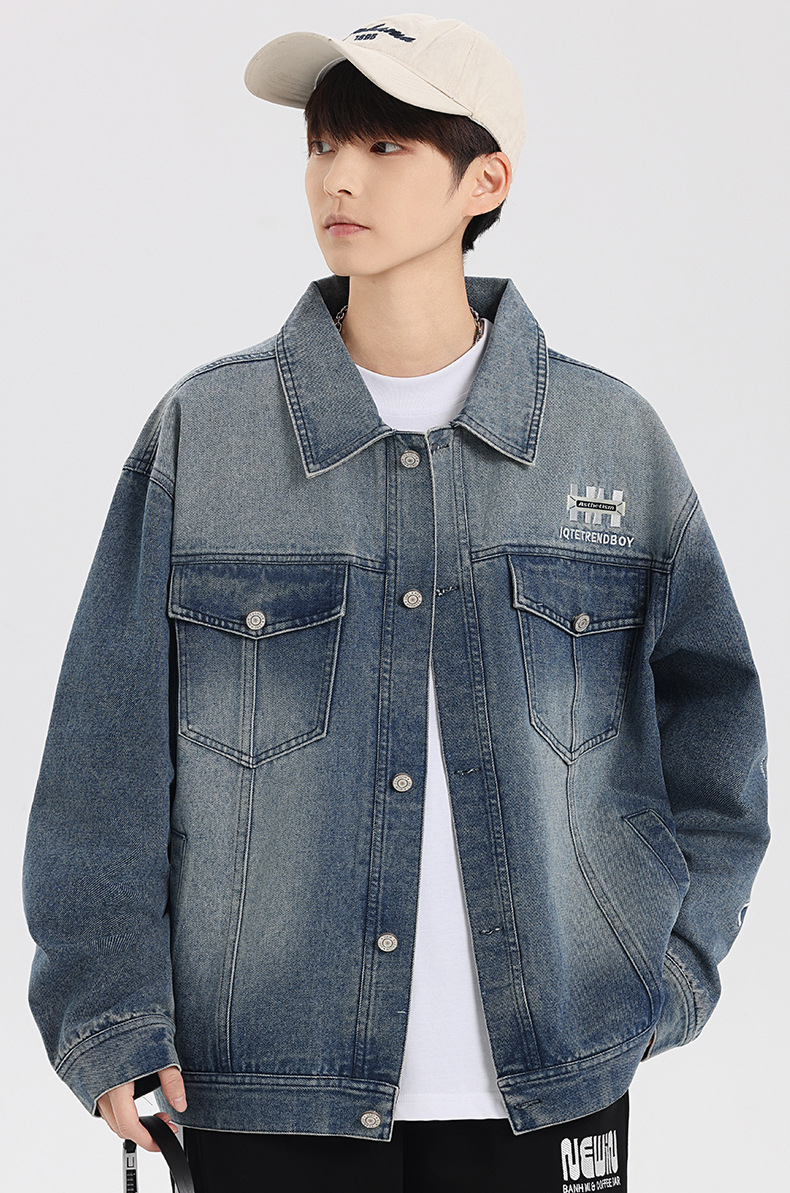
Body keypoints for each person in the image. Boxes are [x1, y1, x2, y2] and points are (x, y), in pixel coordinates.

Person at [22, 13, 770, 1193]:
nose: (338, 178)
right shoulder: (206, 437)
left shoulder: (609, 442)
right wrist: (111, 1014)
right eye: (323, 145)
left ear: (486, 182)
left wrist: (667, 970)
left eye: (383, 147)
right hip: (260, 1083)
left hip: (553, 1080)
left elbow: (717, 729)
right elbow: (102, 758)